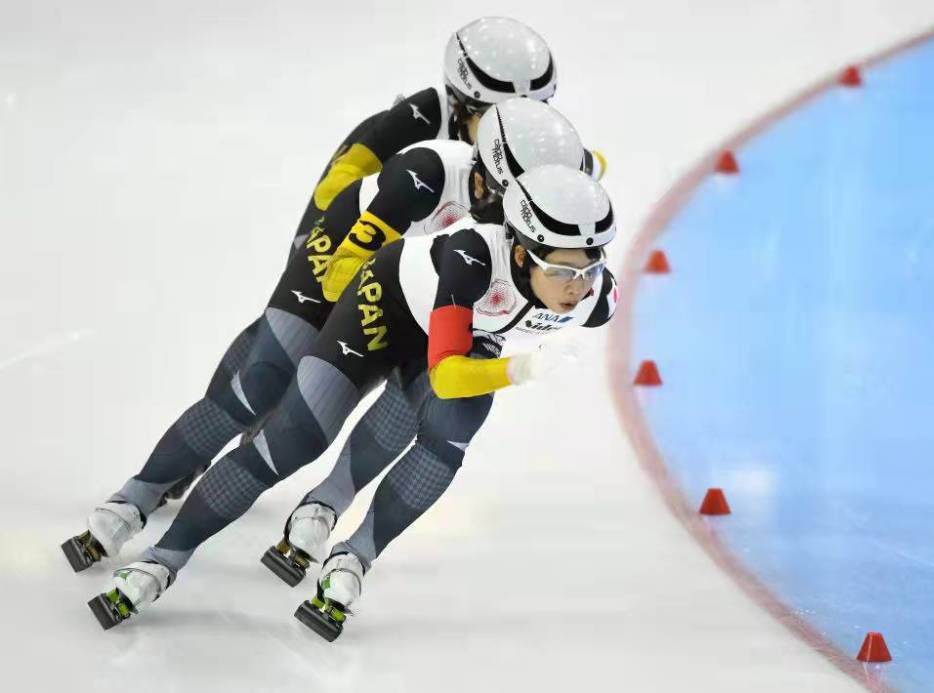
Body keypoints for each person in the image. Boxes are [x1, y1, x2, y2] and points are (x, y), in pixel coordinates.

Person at [87, 165, 618, 644]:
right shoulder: (472, 257)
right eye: (563, 272)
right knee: (297, 436)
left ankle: (353, 554)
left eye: (588, 271)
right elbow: (450, 373)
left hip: (466, 335)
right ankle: (162, 560)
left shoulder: (598, 297)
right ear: (522, 253)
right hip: (389, 307)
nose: (577, 288)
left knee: (451, 432)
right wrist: (523, 369)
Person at [62, 98, 594, 574]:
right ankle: (135, 497)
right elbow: (347, 269)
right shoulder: (427, 174)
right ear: (483, 181)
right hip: (346, 262)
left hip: (423, 289)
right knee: (267, 381)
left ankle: (325, 502)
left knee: (411, 402)